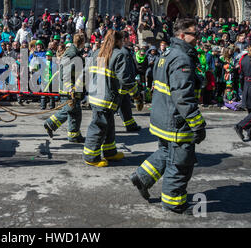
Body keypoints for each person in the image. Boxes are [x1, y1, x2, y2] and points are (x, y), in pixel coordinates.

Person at [130, 18, 206, 215]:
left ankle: (142, 176)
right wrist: (197, 124)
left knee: (165, 152)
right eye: (194, 34)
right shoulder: (181, 58)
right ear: (182, 36)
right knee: (180, 162)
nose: (197, 38)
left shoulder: (167, 54)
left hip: (163, 118)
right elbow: (183, 97)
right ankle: (173, 202)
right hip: (176, 122)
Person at [83, 30, 134, 167]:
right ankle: (91, 156)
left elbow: (85, 72)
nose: (123, 43)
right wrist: (135, 92)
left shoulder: (96, 53)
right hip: (106, 98)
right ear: (118, 41)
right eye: (122, 40)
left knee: (109, 126)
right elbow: (125, 78)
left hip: (96, 96)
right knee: (98, 127)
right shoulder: (119, 55)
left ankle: (110, 152)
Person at [43, 33, 86, 144]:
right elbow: (67, 74)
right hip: (70, 90)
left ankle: (73, 134)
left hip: (71, 89)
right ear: (81, 42)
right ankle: (51, 124)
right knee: (72, 111)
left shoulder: (74, 52)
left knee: (72, 111)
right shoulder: (72, 54)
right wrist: (71, 88)